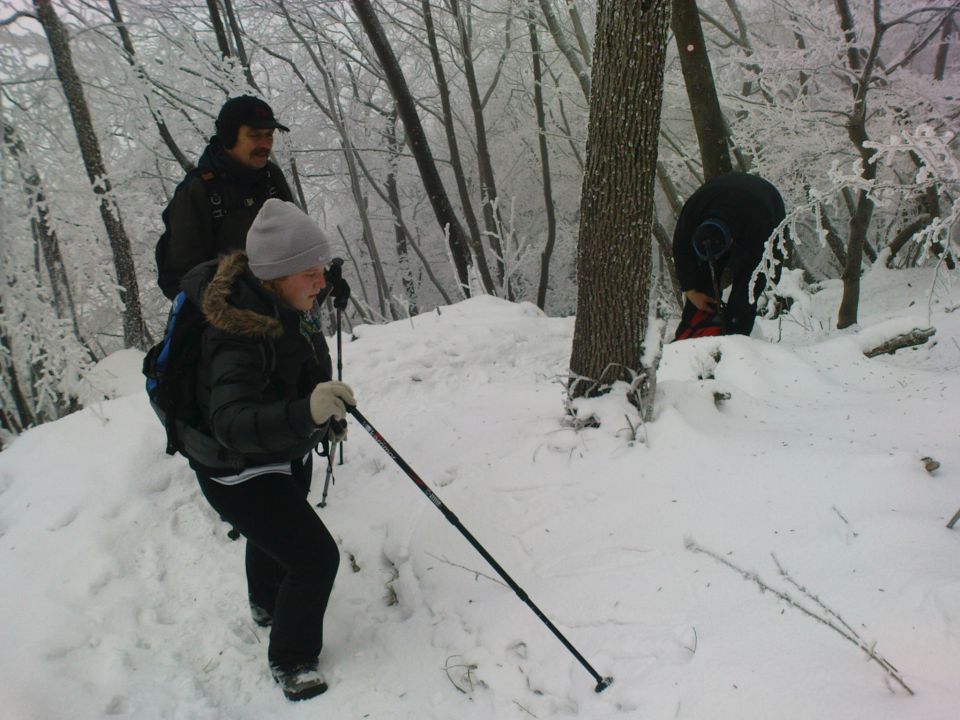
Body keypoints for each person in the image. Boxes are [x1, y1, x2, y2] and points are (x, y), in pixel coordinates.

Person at [180, 199, 354, 701]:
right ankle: (292, 658)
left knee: (278, 528)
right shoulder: (235, 334)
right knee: (315, 558)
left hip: (275, 452)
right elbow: (232, 424)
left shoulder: (286, 303)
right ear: (275, 275)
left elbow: (298, 366)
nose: (320, 282)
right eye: (309, 273)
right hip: (234, 469)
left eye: (321, 269)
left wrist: (320, 412)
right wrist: (306, 415)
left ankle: (265, 602)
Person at [158, 95, 295, 300]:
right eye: (255, 135)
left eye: (269, 135)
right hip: (230, 322)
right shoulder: (199, 191)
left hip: (281, 309)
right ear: (229, 136)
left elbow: (295, 244)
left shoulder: (271, 177)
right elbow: (184, 278)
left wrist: (321, 280)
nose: (265, 144)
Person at [672, 172, 786, 339]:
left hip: (765, 204)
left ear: (732, 242)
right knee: (701, 283)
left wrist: (737, 315)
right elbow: (680, 249)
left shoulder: (761, 227)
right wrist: (690, 288)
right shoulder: (691, 215)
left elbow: (764, 270)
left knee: (746, 293)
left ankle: (735, 341)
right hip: (716, 194)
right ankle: (693, 337)